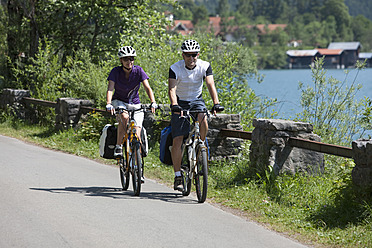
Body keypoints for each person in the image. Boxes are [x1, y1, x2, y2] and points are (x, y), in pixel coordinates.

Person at [168, 39, 224, 191]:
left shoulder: (204, 66)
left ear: (198, 55)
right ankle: (178, 175)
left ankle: (201, 146)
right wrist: (174, 105)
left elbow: (210, 84)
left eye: (194, 55)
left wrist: (216, 103)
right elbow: (172, 89)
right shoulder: (175, 68)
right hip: (180, 102)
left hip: (197, 100)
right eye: (188, 55)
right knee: (178, 139)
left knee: (203, 119)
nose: (191, 58)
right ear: (183, 55)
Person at [106, 46, 157, 157]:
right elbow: (110, 88)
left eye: (131, 59)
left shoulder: (138, 71)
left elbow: (147, 87)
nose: (129, 61)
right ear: (121, 60)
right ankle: (119, 146)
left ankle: (138, 169)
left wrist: (153, 102)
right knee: (124, 118)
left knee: (137, 136)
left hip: (135, 104)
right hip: (119, 101)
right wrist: (109, 103)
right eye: (126, 59)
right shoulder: (115, 72)